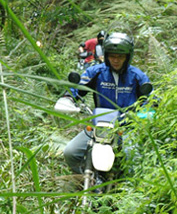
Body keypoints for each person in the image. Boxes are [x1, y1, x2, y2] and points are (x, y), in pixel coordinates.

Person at [62, 32, 151, 174]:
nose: (116, 60)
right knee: (71, 152)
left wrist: (145, 113)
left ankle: (128, 189)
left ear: (127, 56)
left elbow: (150, 98)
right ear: (106, 55)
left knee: (133, 158)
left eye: (120, 56)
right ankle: (86, 177)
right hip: (99, 126)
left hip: (126, 127)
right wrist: (68, 98)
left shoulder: (137, 76)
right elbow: (78, 87)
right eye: (112, 56)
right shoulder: (96, 72)